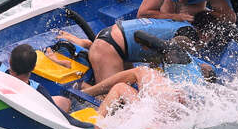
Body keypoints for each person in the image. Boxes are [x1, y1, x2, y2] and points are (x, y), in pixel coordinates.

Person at [57, 10, 224, 83]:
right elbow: (169, 53)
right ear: (206, 33)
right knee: (108, 98)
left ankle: (85, 44)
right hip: (110, 48)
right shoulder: (188, 38)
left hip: (113, 39)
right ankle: (79, 88)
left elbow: (157, 55)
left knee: (130, 82)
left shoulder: (180, 23)